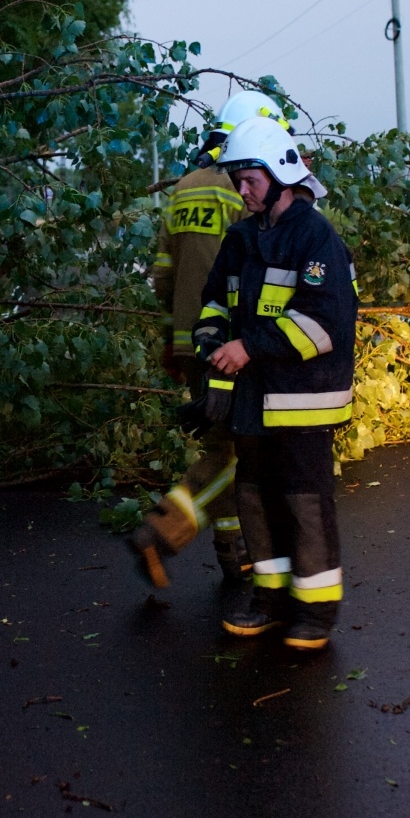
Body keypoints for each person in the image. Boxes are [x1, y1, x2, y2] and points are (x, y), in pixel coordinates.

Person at [193, 115, 358, 650]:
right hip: (252, 402)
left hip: (303, 401)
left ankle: (316, 610)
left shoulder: (315, 237)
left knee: (303, 503)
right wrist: (212, 344)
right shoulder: (240, 239)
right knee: (255, 500)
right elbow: (215, 302)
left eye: (250, 180)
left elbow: (325, 322)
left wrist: (249, 346)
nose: (242, 191)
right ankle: (269, 599)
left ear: (281, 174)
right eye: (237, 181)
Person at [130, 91, 290, 586]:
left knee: (222, 443)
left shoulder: (185, 186)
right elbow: (254, 273)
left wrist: (176, 334)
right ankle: (161, 530)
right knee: (233, 452)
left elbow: (161, 275)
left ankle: (232, 551)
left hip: (192, 341)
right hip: (231, 347)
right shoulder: (242, 189)